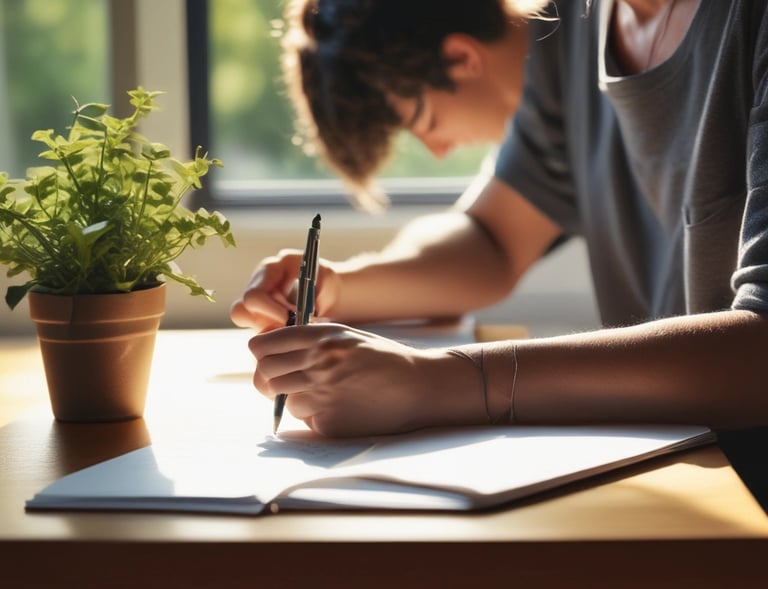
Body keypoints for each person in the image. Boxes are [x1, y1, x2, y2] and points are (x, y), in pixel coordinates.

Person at [230, 0, 768, 439]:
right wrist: (343, 286)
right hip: (668, 455)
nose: (436, 149)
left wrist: (435, 381)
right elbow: (493, 238)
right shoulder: (577, 22)